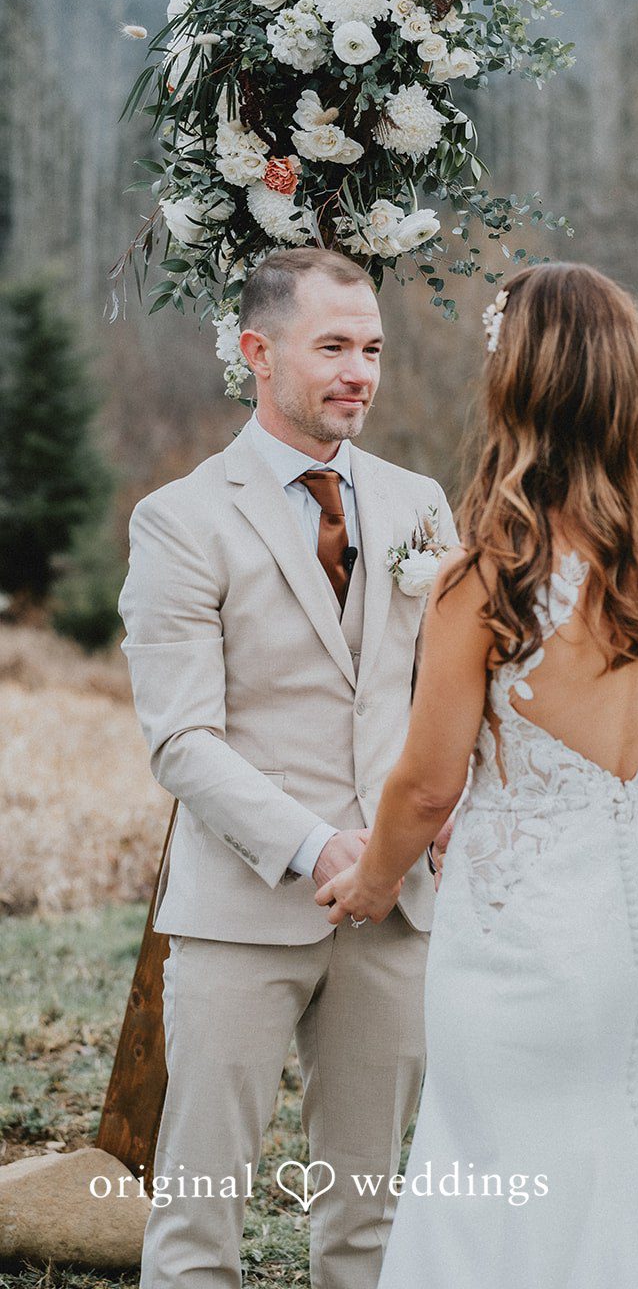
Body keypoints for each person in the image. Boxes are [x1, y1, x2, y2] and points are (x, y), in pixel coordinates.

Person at [317, 261, 638, 1287]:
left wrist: (374, 882)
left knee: (499, 1175)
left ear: (521, 386)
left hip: (519, 942)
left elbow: (427, 785)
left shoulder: (487, 577)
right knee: (633, 1152)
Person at [119, 247, 456, 1289]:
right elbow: (182, 738)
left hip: (395, 910)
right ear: (258, 353)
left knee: (369, 1221)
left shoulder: (418, 506)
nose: (360, 371)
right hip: (242, 913)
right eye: (333, 348)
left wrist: (425, 821)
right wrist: (321, 846)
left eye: (372, 349)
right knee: (197, 1220)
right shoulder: (181, 518)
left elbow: (448, 694)